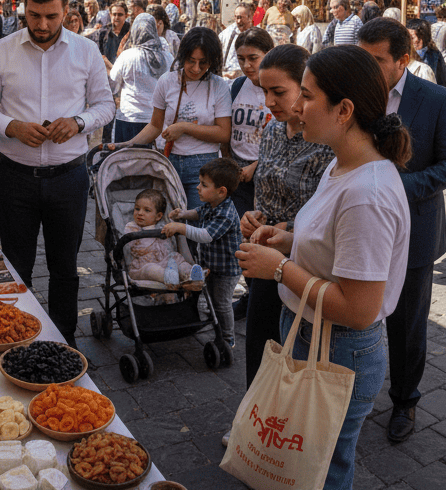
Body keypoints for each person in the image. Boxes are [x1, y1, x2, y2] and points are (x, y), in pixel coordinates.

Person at [237, 46, 411, 490]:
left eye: (307, 96)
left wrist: (279, 270)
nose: (295, 107)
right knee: (300, 464)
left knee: (322, 472)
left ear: (344, 110)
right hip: (311, 331)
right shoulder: (341, 163)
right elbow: (336, 250)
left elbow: (357, 307)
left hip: (338, 345)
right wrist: (290, 241)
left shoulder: (366, 192)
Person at [0, 0, 115, 346]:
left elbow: (106, 105)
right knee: (16, 267)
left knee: (65, 268)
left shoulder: (85, 51)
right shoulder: (2, 50)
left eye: (50, 17)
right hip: (15, 177)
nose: (41, 25)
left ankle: (62, 341)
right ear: (23, 9)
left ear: (67, 10)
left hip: (68, 178)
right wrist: (11, 127)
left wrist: (78, 122)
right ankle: (15, 339)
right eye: (34, 16)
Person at [359, 18, 446, 443]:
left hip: (415, 233)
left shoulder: (436, 99)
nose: (367, 69)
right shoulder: (355, 94)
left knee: (407, 326)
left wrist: (399, 187)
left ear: (403, 60)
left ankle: (405, 400)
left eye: (377, 61)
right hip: (359, 228)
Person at [236, 44, 334, 385]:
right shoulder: (274, 131)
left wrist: (288, 232)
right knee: (261, 349)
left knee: (297, 359)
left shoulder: (326, 141)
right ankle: (254, 420)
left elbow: (327, 214)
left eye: (279, 92)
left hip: (304, 265)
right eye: (264, 92)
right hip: (266, 261)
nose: (269, 102)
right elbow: (264, 192)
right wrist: (253, 218)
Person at [111, 28, 232, 210]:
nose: (196, 68)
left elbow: (223, 133)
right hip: (170, 163)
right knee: (168, 224)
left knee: (194, 227)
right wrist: (127, 145)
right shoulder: (167, 81)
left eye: (203, 63)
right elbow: (155, 125)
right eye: (191, 61)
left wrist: (184, 127)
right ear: (182, 56)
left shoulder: (218, 85)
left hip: (205, 167)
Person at [164, 158, 243, 351]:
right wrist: (183, 214)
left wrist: (180, 227)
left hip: (226, 269)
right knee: (211, 298)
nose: (198, 187)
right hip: (211, 265)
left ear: (221, 191)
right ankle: (213, 321)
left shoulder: (225, 214)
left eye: (204, 185)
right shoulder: (213, 203)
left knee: (222, 303)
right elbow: (198, 213)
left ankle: (227, 338)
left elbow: (205, 235)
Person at [225, 28, 275, 219]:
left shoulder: (277, 89)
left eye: (253, 58)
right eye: (241, 59)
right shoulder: (237, 86)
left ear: (268, 54)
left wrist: (256, 166)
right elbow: (228, 130)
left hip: (268, 172)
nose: (247, 65)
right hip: (238, 175)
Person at [108, 13, 170, 145]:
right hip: (157, 122)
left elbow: (113, 86)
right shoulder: (168, 58)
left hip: (129, 119)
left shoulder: (128, 56)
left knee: (125, 161)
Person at [123, 189, 202, 286]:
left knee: (178, 260)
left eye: (146, 210)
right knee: (151, 269)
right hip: (142, 265)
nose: (140, 213)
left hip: (164, 261)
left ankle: (191, 275)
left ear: (158, 216)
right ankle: (170, 278)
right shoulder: (132, 227)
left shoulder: (164, 226)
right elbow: (126, 247)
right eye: (137, 209)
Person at [406, 18, 446, 89]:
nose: (407, 41)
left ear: (421, 40)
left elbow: (443, 82)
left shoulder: (434, 56)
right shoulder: (404, 54)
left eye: (411, 38)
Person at [219, 2, 253, 79]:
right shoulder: (227, 34)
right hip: (227, 77)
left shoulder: (256, 35)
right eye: (236, 17)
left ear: (249, 17)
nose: (238, 21)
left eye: (241, 17)